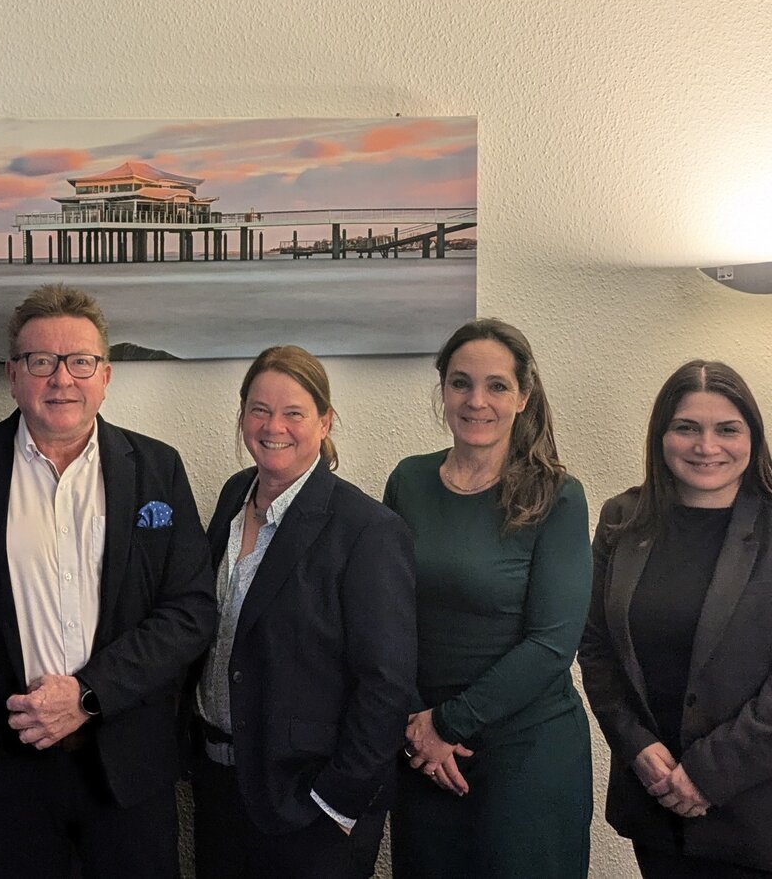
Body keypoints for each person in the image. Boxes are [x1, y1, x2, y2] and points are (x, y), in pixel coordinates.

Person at [0, 284, 217, 879]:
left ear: (105, 375)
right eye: (41, 361)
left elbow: (190, 612)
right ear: (12, 374)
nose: (61, 379)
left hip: (128, 770)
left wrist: (86, 695)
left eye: (80, 361)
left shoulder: (157, 469)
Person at [191, 344, 417, 879]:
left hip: (306, 802)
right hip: (221, 784)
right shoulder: (231, 498)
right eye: (259, 409)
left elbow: (386, 683)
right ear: (243, 415)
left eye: (294, 412)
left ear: (325, 421)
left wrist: (337, 800)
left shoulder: (366, 530)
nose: (275, 426)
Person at [383, 317, 592, 878]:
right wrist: (416, 727)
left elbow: (552, 643)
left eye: (497, 385)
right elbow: (387, 618)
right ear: (443, 390)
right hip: (423, 749)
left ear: (523, 396)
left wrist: (448, 725)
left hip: (525, 748)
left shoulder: (558, 496)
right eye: (460, 383)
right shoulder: (408, 481)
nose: (477, 401)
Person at [580, 360, 772, 878]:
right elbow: (597, 650)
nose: (706, 446)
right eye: (686, 427)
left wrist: (706, 774)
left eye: (727, 429)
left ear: (752, 436)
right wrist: (636, 745)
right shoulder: (621, 518)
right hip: (654, 803)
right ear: (661, 436)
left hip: (757, 815)